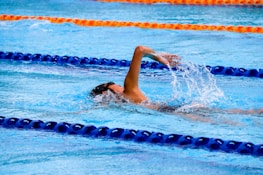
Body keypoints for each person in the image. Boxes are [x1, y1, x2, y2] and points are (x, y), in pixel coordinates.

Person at [90, 45, 262, 119]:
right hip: (175, 110)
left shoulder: (126, 103)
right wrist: (159, 58)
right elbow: (140, 49)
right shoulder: (129, 91)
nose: (117, 84)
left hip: (172, 111)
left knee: (230, 117)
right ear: (107, 91)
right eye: (111, 83)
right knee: (234, 114)